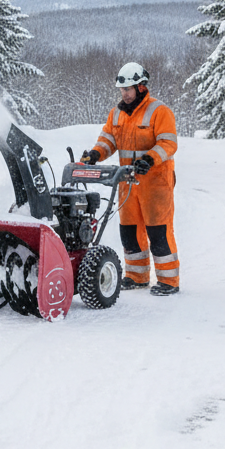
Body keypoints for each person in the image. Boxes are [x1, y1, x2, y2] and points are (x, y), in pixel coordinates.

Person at [81, 62, 180, 295]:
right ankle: (136, 276)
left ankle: (169, 280)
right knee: (130, 230)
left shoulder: (159, 111)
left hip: (155, 181)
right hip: (127, 182)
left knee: (158, 230)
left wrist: (150, 158)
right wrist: (96, 153)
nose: (124, 94)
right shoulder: (116, 114)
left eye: (128, 89)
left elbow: (169, 143)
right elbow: (108, 140)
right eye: (122, 90)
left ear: (141, 87)